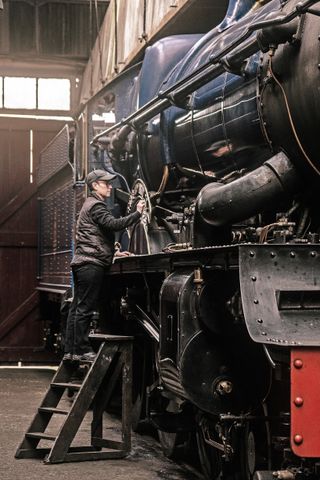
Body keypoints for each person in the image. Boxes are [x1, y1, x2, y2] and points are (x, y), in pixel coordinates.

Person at [63, 169, 145, 362]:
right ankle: (82, 350)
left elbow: (94, 236)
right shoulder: (96, 206)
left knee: (77, 308)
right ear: (94, 185)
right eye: (105, 183)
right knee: (85, 308)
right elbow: (114, 224)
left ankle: (71, 350)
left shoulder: (89, 205)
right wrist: (137, 213)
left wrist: (113, 252)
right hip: (91, 264)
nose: (110, 186)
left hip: (84, 262)